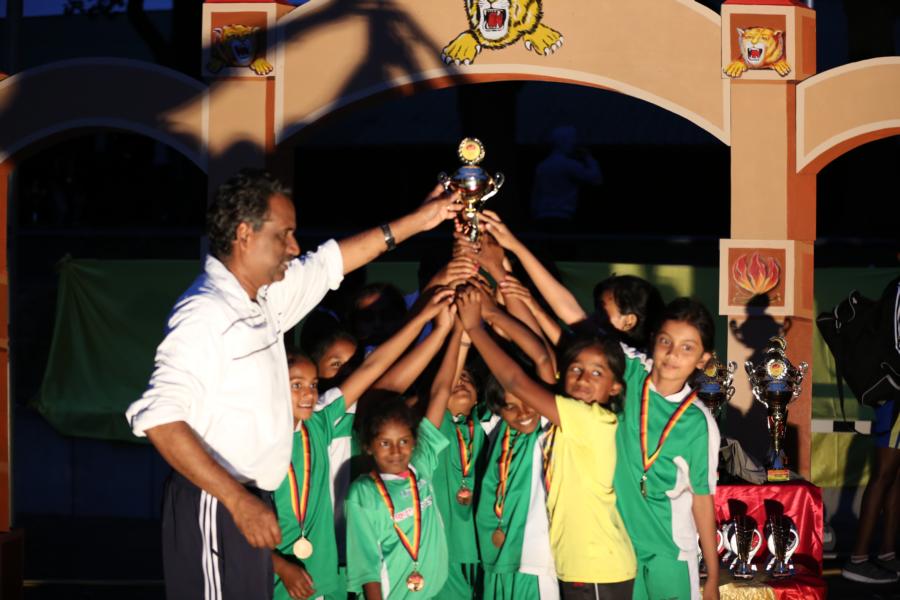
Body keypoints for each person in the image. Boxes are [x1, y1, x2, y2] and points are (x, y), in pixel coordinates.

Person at [125, 169, 460, 599]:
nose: (294, 247)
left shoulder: (265, 300)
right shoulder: (205, 313)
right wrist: (237, 501)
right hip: (219, 502)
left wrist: (420, 220)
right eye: (284, 234)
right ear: (244, 234)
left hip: (248, 501)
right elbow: (159, 418)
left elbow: (332, 261)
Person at [272, 288, 455, 600]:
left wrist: (430, 321)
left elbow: (377, 370)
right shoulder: (256, 440)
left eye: (312, 385)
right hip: (281, 575)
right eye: (297, 385)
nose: (308, 393)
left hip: (332, 568)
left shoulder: (322, 418)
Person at [456, 285, 636, 599]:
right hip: (578, 566)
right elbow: (538, 354)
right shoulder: (566, 418)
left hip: (597, 567)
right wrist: (497, 306)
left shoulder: (591, 420)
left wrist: (477, 325)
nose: (583, 378)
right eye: (576, 369)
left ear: (615, 388)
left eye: (597, 373)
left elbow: (518, 378)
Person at [613, 298, 720, 600]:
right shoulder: (631, 373)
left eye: (687, 348)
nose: (673, 354)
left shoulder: (698, 423)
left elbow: (702, 500)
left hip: (671, 553)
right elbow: (571, 318)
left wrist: (712, 576)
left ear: (703, 359)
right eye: (665, 342)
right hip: (620, 546)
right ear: (653, 341)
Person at [345, 327, 459, 599]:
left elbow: (441, 392)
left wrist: (460, 336)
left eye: (404, 441)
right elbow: (366, 565)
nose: (396, 451)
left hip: (433, 592)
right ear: (368, 446)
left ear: (415, 441)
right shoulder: (363, 492)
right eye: (385, 443)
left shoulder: (421, 464)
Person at [530, 125, 602, 231]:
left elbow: (535, 194)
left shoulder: (542, 166)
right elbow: (596, 179)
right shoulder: (569, 165)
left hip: (542, 217)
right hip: (562, 218)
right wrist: (588, 157)